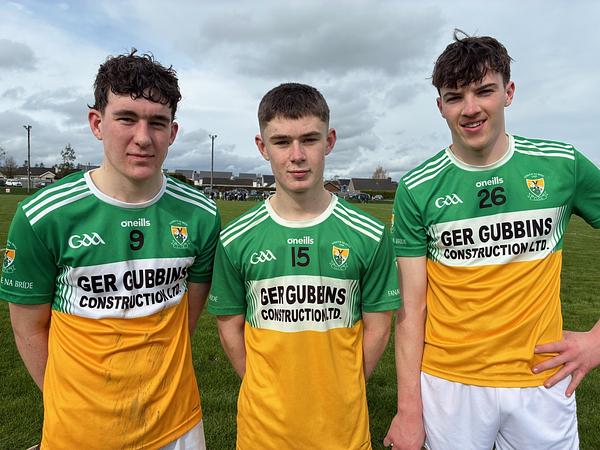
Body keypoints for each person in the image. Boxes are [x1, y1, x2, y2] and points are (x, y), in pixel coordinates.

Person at [384, 31, 600, 450]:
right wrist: (408, 409)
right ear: (440, 106)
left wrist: (596, 342)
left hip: (542, 379)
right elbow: (412, 307)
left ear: (508, 92)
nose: (470, 109)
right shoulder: (417, 187)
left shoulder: (561, 165)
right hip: (449, 385)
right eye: (454, 97)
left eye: (484, 91)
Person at [0, 49, 220, 449]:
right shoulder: (42, 216)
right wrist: (69, 402)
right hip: (78, 431)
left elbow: (186, 320)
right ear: (97, 123)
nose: (143, 137)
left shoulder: (201, 214)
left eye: (157, 122)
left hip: (178, 425)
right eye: (126, 118)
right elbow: (28, 327)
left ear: (172, 132)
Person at [208, 82, 401, 450]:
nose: (296, 155)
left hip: (343, 433)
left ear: (329, 141)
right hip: (262, 434)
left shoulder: (370, 234)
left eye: (309, 140)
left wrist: (344, 387)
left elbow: (379, 326)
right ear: (262, 146)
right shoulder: (235, 238)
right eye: (281, 142)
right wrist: (262, 386)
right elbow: (229, 325)